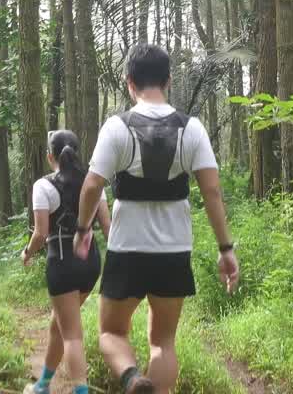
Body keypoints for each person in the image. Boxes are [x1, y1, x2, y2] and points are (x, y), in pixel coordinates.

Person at [73, 43, 240, 394]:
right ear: (168, 80)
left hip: (127, 248)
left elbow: (91, 187)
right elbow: (212, 193)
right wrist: (226, 249)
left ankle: (133, 378)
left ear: (129, 82)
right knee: (164, 342)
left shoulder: (116, 127)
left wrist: (83, 228)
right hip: (173, 250)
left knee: (110, 333)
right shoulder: (192, 128)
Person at [22, 130, 113, 394]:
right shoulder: (93, 184)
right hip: (90, 263)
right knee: (58, 323)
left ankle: (81, 390)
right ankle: (43, 384)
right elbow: (107, 227)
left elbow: (40, 234)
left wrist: (27, 253)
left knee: (71, 332)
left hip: (62, 263)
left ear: (50, 156)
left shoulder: (43, 186)